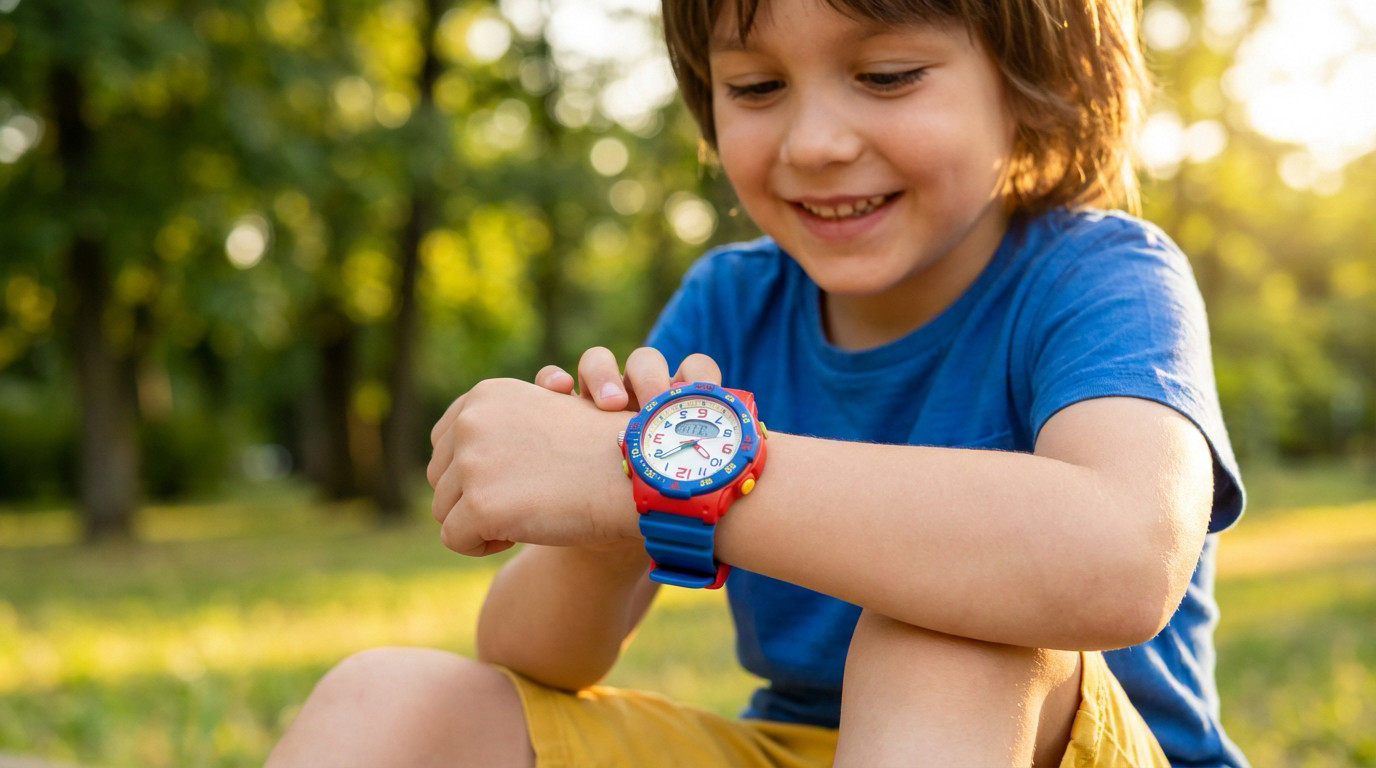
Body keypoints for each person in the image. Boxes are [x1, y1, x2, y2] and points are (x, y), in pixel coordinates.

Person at [265, 0, 1250, 765]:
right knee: (386, 701)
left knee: (941, 633)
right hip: (794, 748)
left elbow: (1120, 555)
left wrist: (652, 477)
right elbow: (533, 658)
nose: (812, 142)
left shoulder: (1100, 275)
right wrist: (608, 520)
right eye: (753, 88)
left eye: (885, 74)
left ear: (1032, 78)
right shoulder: (728, 303)